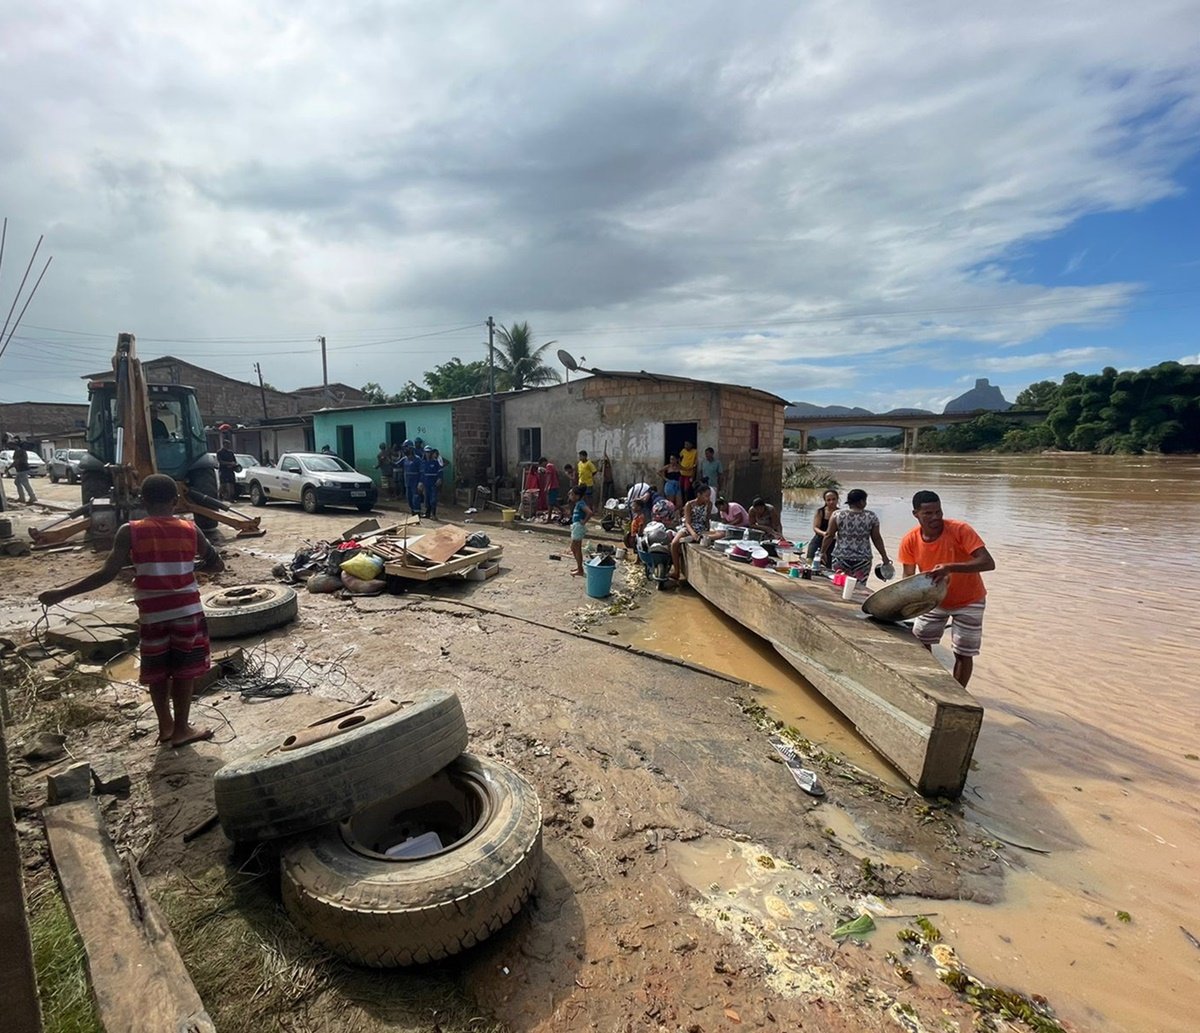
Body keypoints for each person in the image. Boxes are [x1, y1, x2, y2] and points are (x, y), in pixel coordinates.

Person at [38, 474, 224, 746]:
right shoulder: (190, 529)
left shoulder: (130, 530)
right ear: (175, 501)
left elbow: (106, 574)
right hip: (187, 613)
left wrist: (61, 593)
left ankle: (166, 727)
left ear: (142, 501)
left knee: (158, 673)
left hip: (152, 617)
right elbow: (216, 565)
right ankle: (183, 729)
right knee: (185, 673)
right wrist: (190, 569)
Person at [898, 490, 995, 688]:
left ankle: (958, 693)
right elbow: (908, 576)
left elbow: (988, 562)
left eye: (938, 512)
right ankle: (931, 685)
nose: (935, 518)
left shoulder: (960, 530)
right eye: (928, 513)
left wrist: (950, 567)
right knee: (920, 642)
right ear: (915, 514)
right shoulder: (910, 540)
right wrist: (902, 604)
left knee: (963, 651)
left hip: (969, 599)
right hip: (934, 599)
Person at [821, 488, 889, 584]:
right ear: (861, 501)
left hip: (841, 557)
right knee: (859, 587)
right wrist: (884, 556)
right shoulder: (871, 517)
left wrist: (822, 552)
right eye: (865, 500)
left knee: (838, 584)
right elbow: (877, 539)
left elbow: (829, 535)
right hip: (863, 560)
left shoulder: (837, 515)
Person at [669, 483, 715, 580]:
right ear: (699, 495)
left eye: (709, 496)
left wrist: (707, 533)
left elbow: (707, 520)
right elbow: (688, 523)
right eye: (706, 496)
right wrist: (693, 533)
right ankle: (676, 571)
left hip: (702, 529)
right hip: (689, 528)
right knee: (674, 543)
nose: (708, 498)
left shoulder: (709, 505)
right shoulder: (689, 505)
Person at [808, 489, 840, 560]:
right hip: (818, 541)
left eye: (833, 499)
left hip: (832, 543)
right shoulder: (820, 511)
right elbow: (815, 528)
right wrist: (825, 534)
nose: (831, 502)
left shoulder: (840, 513)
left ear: (837, 499)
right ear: (825, 501)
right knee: (810, 562)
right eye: (828, 500)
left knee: (828, 567)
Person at [567, 486, 591, 576]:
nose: (570, 496)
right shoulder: (578, 503)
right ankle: (579, 567)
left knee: (575, 548)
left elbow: (589, 512)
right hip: (576, 526)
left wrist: (584, 521)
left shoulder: (581, 503)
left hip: (578, 527)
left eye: (572, 494)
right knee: (576, 548)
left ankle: (580, 569)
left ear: (577, 496)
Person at [400, 441, 423, 515]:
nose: (405, 450)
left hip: (415, 483)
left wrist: (420, 482)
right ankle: (413, 512)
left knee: (415, 498)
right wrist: (387, 460)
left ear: (411, 449)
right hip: (408, 482)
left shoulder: (417, 459)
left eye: (406, 448)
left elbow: (422, 471)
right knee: (409, 499)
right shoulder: (405, 459)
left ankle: (417, 514)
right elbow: (396, 465)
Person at [11, 440, 38, 505]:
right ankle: (22, 497)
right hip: (20, 469)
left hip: (22, 469)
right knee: (17, 482)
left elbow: (17, 461)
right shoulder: (19, 451)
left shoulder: (19, 451)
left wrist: (9, 467)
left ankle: (32, 497)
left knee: (25, 483)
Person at [421, 446, 442, 519]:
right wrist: (421, 482)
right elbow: (422, 474)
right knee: (426, 499)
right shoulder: (423, 463)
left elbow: (440, 471)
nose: (427, 454)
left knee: (433, 499)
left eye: (429, 452)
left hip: (433, 483)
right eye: (426, 452)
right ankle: (427, 513)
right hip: (426, 484)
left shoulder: (435, 462)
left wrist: (439, 478)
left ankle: (433, 514)